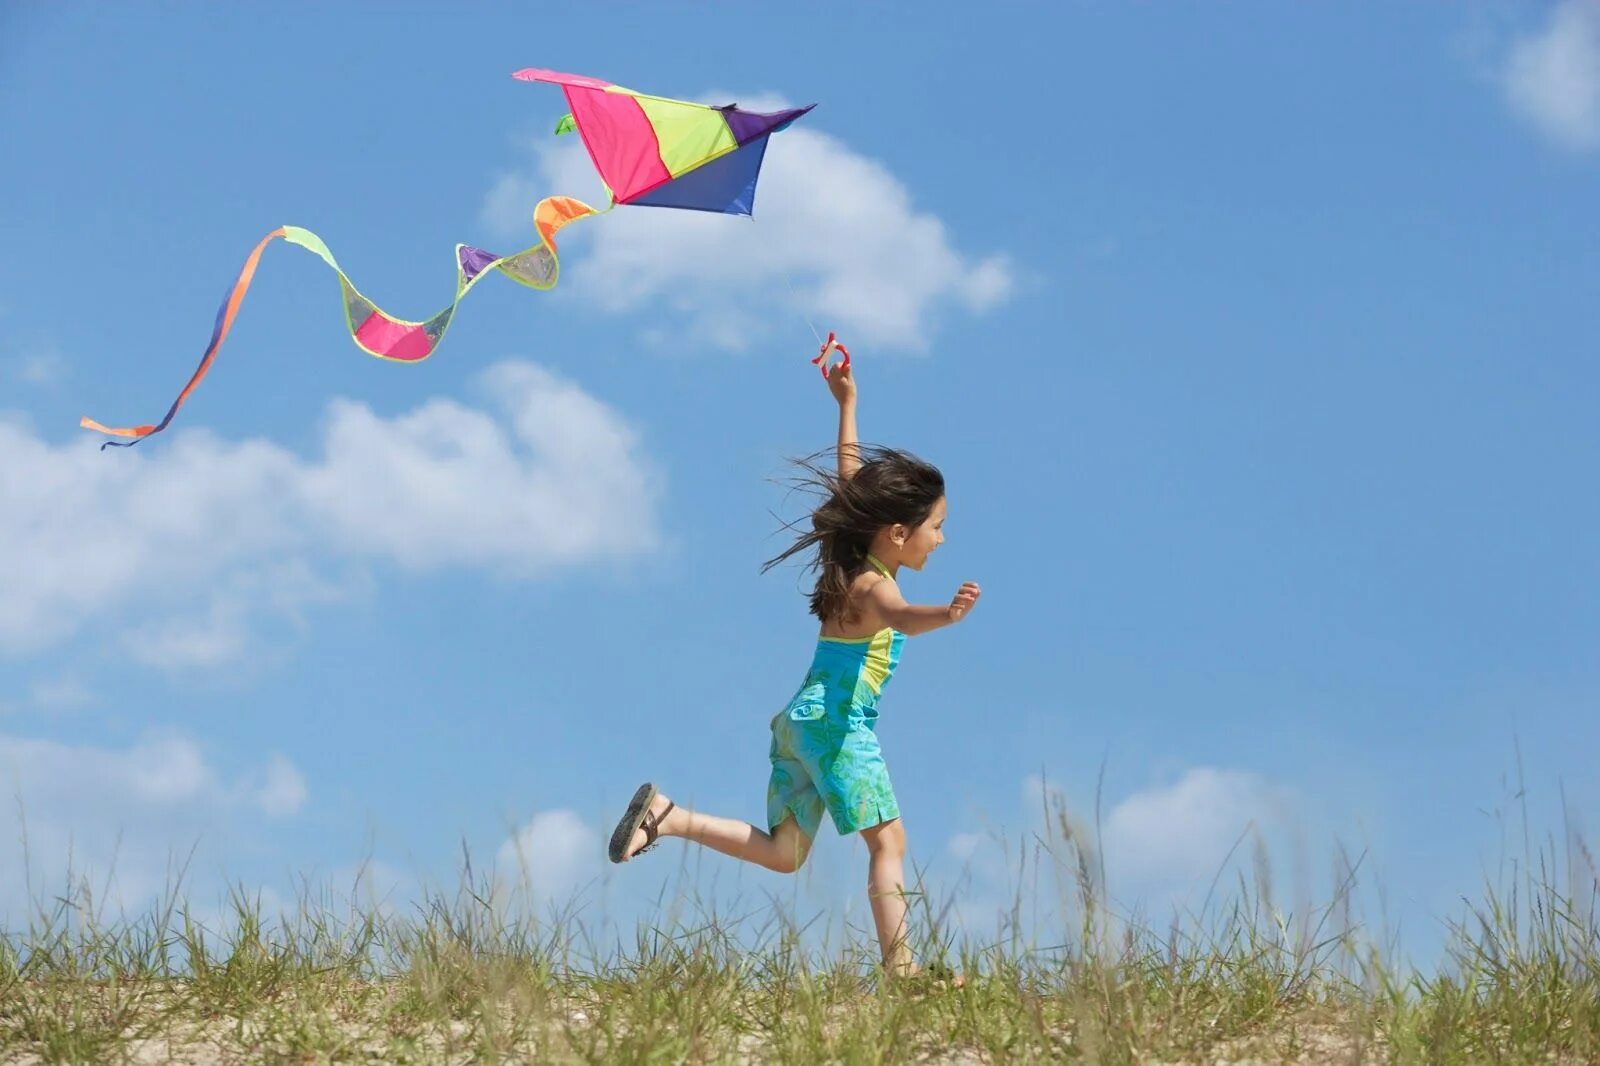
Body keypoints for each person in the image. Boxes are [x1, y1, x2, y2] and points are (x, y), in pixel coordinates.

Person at [606, 356, 981, 979]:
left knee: (785, 855)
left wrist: (846, 404)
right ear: (895, 532)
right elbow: (904, 617)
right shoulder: (872, 590)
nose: (940, 539)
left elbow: (850, 480)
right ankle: (903, 971)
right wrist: (949, 613)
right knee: (888, 844)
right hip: (837, 728)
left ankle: (668, 816)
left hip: (799, 724)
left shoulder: (853, 557)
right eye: (935, 528)